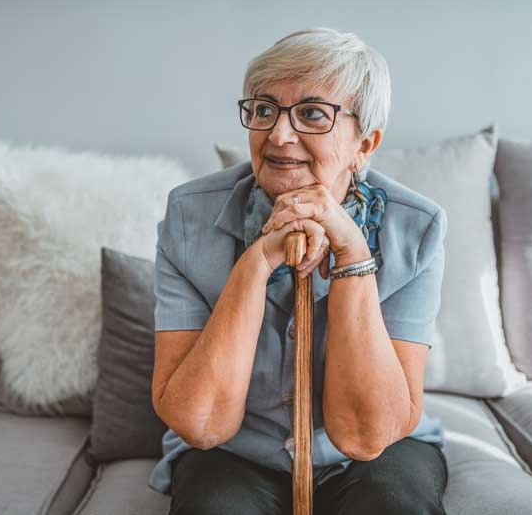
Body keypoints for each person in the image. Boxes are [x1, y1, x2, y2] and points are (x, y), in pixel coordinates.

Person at [148, 27, 449, 514]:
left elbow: (366, 435)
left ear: (364, 143)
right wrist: (258, 260)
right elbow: (201, 423)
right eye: (264, 109)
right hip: (235, 451)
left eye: (312, 113)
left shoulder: (417, 228)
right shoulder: (189, 216)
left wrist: (352, 253)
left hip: (377, 455)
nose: (278, 135)